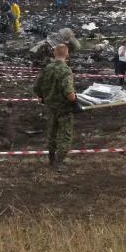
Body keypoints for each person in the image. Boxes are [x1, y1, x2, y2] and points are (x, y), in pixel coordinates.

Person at [34, 44, 80, 172]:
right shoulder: (65, 70)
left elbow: (36, 87)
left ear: (54, 54)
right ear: (67, 54)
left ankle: (51, 159)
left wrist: (43, 97)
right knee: (65, 135)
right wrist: (76, 103)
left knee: (52, 133)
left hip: (50, 107)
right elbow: (69, 92)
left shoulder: (47, 68)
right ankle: (59, 163)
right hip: (64, 108)